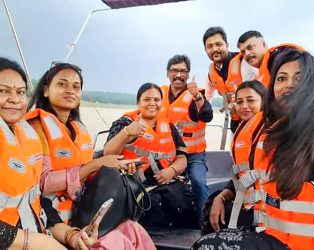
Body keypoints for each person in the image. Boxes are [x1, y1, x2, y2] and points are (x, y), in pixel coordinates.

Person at [192, 48, 314, 249]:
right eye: (281, 78)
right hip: (276, 238)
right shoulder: (278, 131)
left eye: (299, 77)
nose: (289, 85)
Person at [25, 62, 155, 250]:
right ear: (45, 90)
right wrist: (96, 164)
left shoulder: (79, 129)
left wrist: (116, 167)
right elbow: (42, 183)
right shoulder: (36, 128)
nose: (70, 90)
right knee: (116, 241)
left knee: (132, 228)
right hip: (53, 219)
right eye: (62, 84)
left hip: (84, 210)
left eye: (76, 87)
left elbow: (85, 175)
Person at [0, 57, 98, 250]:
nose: (14, 99)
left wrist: (70, 236)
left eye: (20, 92)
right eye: (3, 91)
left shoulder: (25, 135)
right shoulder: (36, 127)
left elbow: (35, 200)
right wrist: (38, 242)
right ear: (45, 90)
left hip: (39, 230)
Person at [104, 83, 197, 229]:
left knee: (187, 198)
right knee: (154, 204)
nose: (152, 103)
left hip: (167, 181)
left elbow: (182, 158)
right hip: (136, 185)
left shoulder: (169, 126)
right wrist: (126, 132)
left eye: (156, 100)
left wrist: (171, 171)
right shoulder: (124, 124)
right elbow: (108, 154)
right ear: (138, 102)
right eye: (147, 99)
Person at [203, 80, 266, 233]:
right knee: (212, 203)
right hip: (247, 204)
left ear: (265, 102)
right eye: (239, 102)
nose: (244, 106)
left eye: (250, 100)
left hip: (264, 215)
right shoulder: (243, 130)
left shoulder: (272, 132)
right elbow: (241, 177)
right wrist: (221, 198)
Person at [157, 55, 213, 228]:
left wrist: (197, 97)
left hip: (193, 154)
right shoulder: (159, 93)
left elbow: (207, 115)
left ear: (188, 75)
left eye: (183, 71)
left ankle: (204, 225)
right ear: (168, 73)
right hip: (168, 154)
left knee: (197, 181)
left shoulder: (196, 95)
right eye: (174, 70)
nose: (178, 75)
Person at [203, 26, 259, 132]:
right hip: (235, 118)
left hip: (255, 118)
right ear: (205, 50)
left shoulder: (245, 63)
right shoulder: (210, 75)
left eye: (219, 44)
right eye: (209, 46)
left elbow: (261, 91)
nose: (214, 49)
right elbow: (206, 98)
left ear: (227, 45)